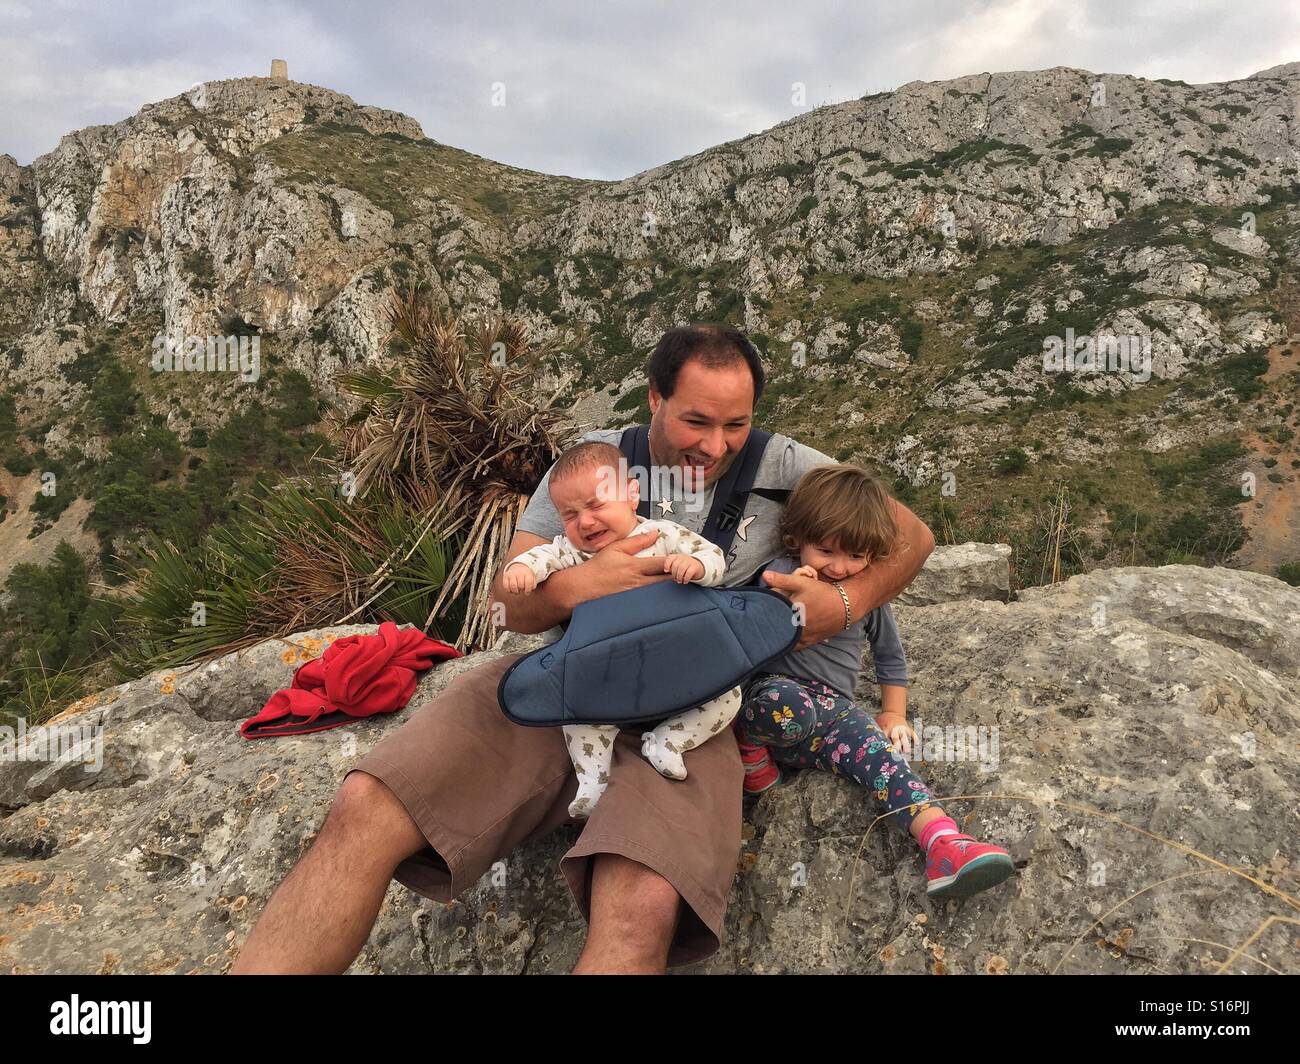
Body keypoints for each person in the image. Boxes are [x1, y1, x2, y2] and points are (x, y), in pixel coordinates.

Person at [230, 323, 936, 974]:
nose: (715, 446)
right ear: (655, 398)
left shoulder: (789, 465)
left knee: (642, 906)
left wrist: (843, 604)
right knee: (367, 805)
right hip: (565, 680)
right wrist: (582, 585)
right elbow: (510, 604)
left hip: (697, 712)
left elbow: (915, 537)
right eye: (694, 420)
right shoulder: (589, 467)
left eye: (735, 424)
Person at [735, 464, 1014, 899]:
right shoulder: (778, 571)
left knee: (884, 763)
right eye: (826, 551)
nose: (842, 568)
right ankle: (750, 752)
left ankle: (944, 843)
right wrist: (782, 596)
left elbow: (890, 656)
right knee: (782, 704)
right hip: (773, 694)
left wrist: (893, 712)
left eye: (857, 557)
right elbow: (743, 629)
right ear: (797, 539)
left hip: (832, 714)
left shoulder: (865, 596)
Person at [501, 439, 741, 816]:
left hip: (675, 664)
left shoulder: (663, 535)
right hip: (606, 673)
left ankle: (669, 742)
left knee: (728, 697)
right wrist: (523, 570)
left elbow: (712, 557)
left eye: (597, 504)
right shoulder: (571, 552)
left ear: (632, 494)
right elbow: (542, 555)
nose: (585, 521)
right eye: (570, 514)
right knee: (577, 716)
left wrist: (695, 567)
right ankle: (593, 779)